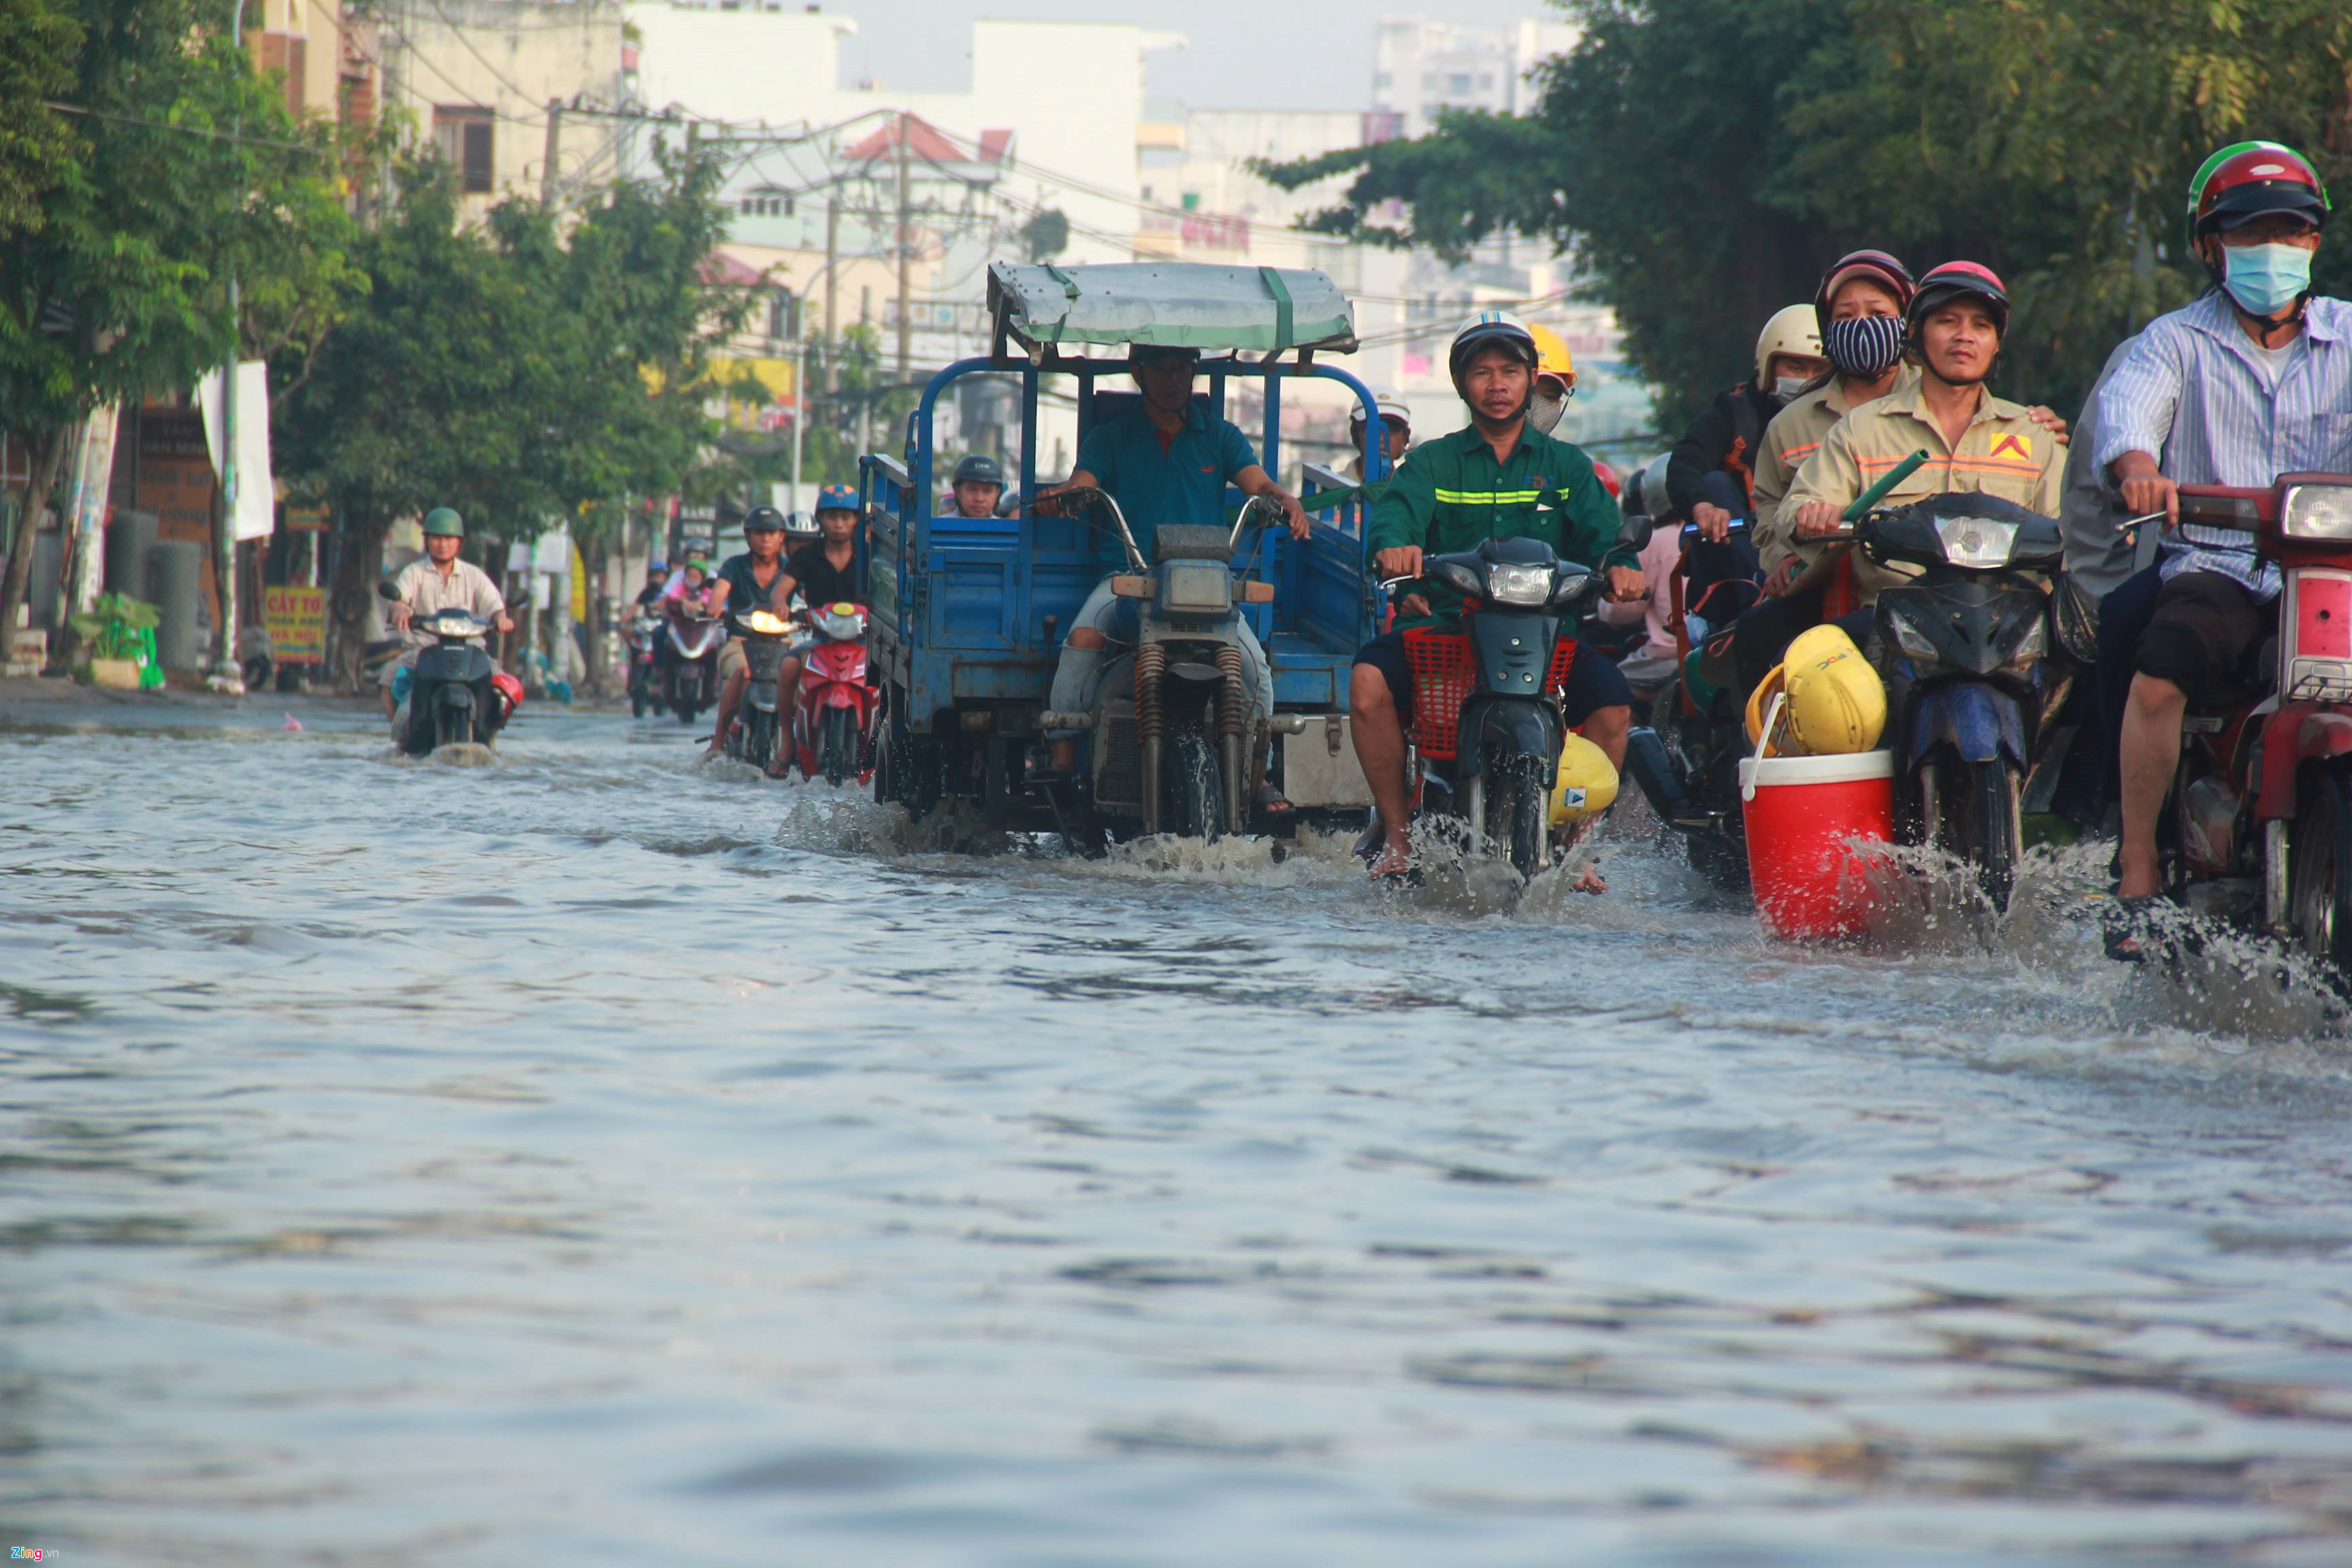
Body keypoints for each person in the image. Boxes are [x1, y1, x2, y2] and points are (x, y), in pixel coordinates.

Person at [2093, 141, 2352, 938]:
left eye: (2289, 231)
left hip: (2336, 581)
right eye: (2248, 233)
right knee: (2160, 675)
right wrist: (2139, 468)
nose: (2271, 249)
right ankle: (2138, 866)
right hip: (2219, 569)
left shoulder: (2350, 336)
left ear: (2313, 243)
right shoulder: (2171, 342)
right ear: (2211, 247)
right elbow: (2129, 417)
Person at [1350, 310, 1646, 881]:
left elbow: (1605, 539)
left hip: (1547, 641)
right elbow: (1393, 522)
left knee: (1613, 706)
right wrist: (1395, 551)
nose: (1497, 383)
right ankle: (1397, 837)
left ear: (1531, 379)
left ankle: (1576, 849)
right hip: (1443, 635)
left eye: (1510, 370)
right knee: (1366, 685)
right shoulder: (1431, 462)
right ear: (1463, 384)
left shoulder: (1567, 467)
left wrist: (1623, 566)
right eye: (1482, 372)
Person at [1736, 263, 2065, 699]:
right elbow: (1798, 505)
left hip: (2013, 628)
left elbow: (2074, 531)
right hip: (1895, 624)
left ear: (1997, 342)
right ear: (1915, 333)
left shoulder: (2035, 434)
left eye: (1980, 326)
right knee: (1808, 687)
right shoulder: (1861, 429)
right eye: (1947, 322)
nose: (1964, 336)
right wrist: (1810, 516)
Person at [1034, 342, 1309, 791]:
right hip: (1128, 580)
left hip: (1207, 584)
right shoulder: (1111, 436)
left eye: (1181, 368)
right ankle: (1063, 756)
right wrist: (1066, 495)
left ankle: (1257, 774)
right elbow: (1084, 483)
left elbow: (1258, 484)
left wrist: (1284, 500)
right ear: (1138, 373)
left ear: (1193, 372)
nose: (1172, 379)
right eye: (1160, 369)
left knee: (1253, 664)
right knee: (1083, 637)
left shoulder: (1220, 436)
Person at [380, 507, 512, 723]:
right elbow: (398, 599)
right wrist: (400, 610)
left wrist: (501, 619)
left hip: (471, 651)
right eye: (437, 538)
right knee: (387, 680)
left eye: (449, 538)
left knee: (506, 687)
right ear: (427, 540)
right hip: (423, 651)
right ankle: (401, 741)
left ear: (459, 542)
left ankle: (490, 734)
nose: (443, 544)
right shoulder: (414, 573)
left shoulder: (474, 575)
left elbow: (494, 606)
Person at [770, 485, 868, 727]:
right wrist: (781, 606)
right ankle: (786, 742)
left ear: (856, 520)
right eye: (832, 517)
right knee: (789, 666)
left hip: (864, 641)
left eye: (846, 517)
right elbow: (779, 592)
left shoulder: (870, 555)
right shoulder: (807, 555)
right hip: (821, 639)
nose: (839, 523)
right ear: (820, 519)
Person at [704, 506, 794, 761]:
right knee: (742, 674)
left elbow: (807, 595)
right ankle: (718, 741)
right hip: (741, 642)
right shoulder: (735, 565)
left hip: (783, 643)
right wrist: (716, 606)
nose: (765, 539)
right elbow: (718, 593)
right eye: (759, 533)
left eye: (771, 533)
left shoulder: (790, 569)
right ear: (748, 536)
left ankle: (796, 743)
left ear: (781, 537)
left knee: (802, 676)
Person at [1345, 387, 1413, 481]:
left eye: (1392, 428)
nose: (1381, 437)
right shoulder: (1328, 489)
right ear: (1355, 433)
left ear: (1405, 436)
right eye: (1372, 428)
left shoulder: (1412, 493)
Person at [949, 453, 1007, 519]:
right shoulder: (939, 527)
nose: (979, 499)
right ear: (957, 490)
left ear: (997, 493)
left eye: (987, 491)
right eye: (971, 490)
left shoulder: (1006, 528)